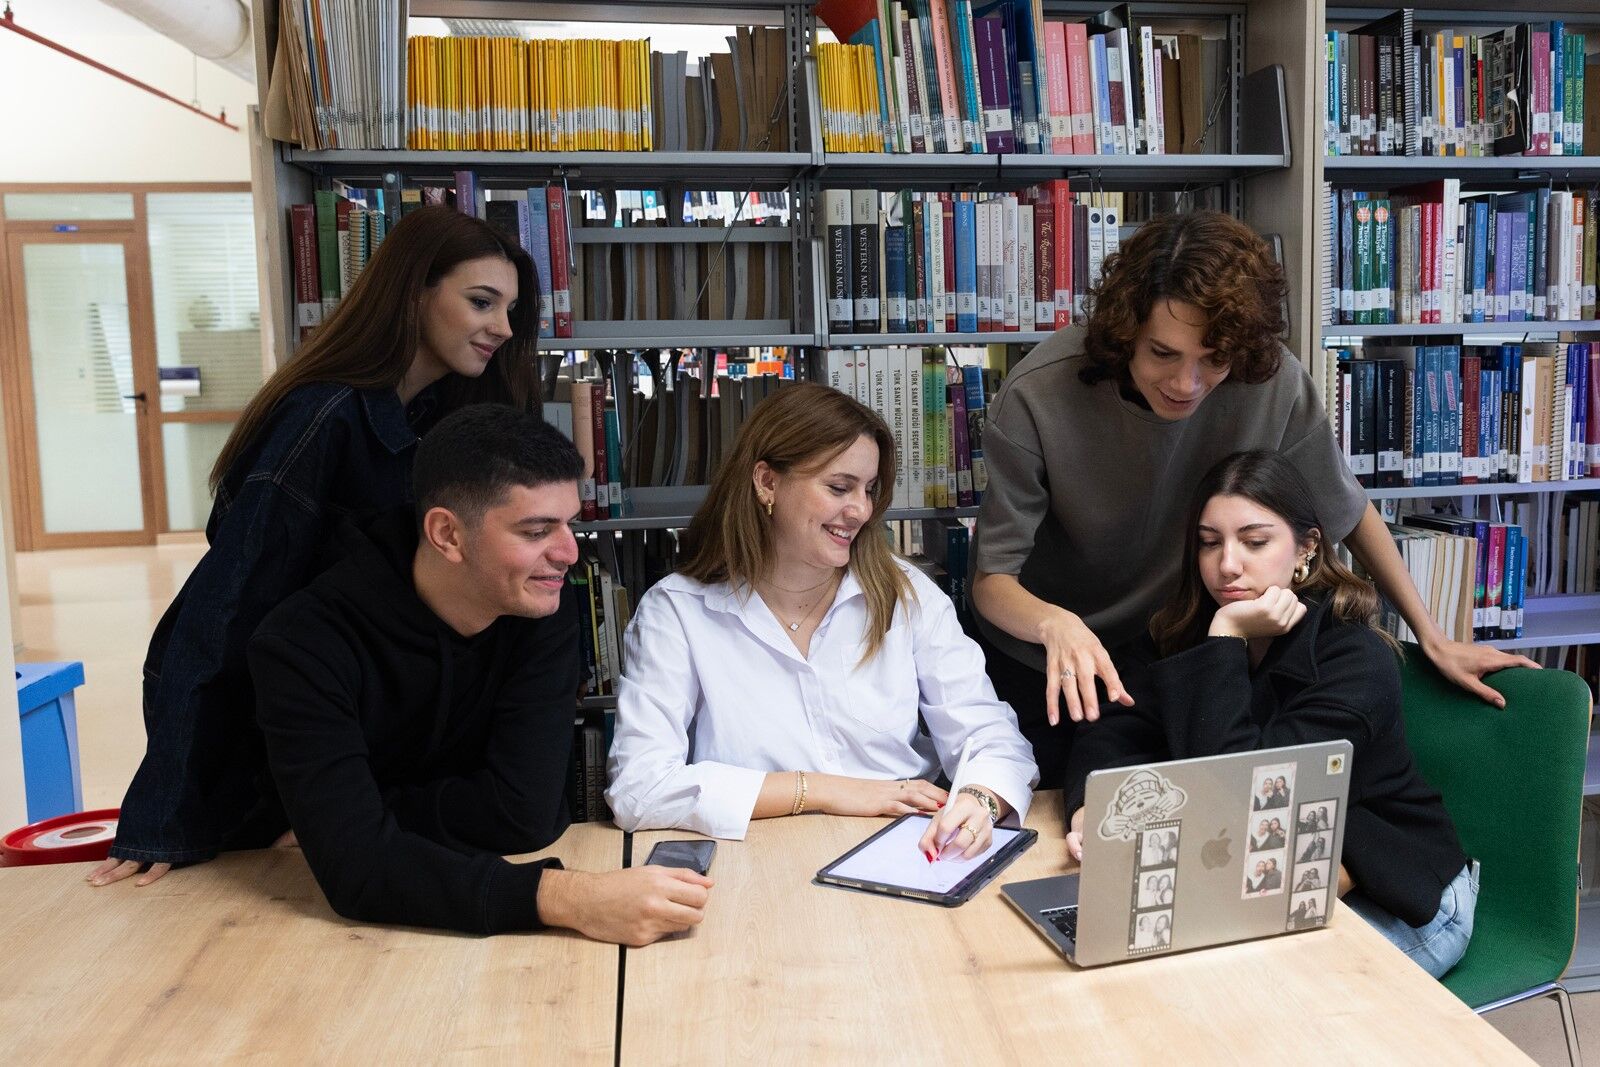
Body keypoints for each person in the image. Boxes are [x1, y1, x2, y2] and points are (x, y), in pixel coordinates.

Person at [968, 210, 1537, 784]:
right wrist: (1054, 624)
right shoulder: (1037, 393)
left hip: (1178, 646)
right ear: (1124, 332)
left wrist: (1432, 638)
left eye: (1213, 359)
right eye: (1163, 353)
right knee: (1066, 816)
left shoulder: (1271, 377)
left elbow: (1346, 508)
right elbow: (992, 580)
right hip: (1051, 660)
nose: (1186, 384)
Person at [94, 206, 543, 888]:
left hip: (361, 717)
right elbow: (225, 606)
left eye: (509, 309)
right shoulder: (322, 414)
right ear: (414, 293)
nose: (503, 328)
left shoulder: (440, 418)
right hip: (270, 724)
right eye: (482, 302)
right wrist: (164, 814)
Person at [195, 406, 710, 941]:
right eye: (537, 531)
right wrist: (569, 898)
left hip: (436, 911)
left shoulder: (538, 607)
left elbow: (524, 814)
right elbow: (357, 875)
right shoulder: (303, 644)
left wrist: (357, 822)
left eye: (570, 524)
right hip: (267, 922)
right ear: (447, 534)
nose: (568, 553)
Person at [1063, 450, 1478, 978]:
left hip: (1397, 893)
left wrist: (1227, 637)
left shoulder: (1355, 657)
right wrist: (1092, 810)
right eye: (1209, 542)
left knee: (1235, 990)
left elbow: (1251, 795)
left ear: (1307, 547)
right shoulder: (1183, 627)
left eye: (1255, 542)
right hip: (1264, 879)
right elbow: (1112, 730)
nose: (1227, 564)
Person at [605, 383, 1039, 859]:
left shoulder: (907, 595)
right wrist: (824, 790)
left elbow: (991, 737)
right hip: (761, 863)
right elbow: (639, 788)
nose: (861, 510)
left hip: (909, 850)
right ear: (767, 483)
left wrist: (979, 800)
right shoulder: (677, 611)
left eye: (869, 490)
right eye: (839, 487)